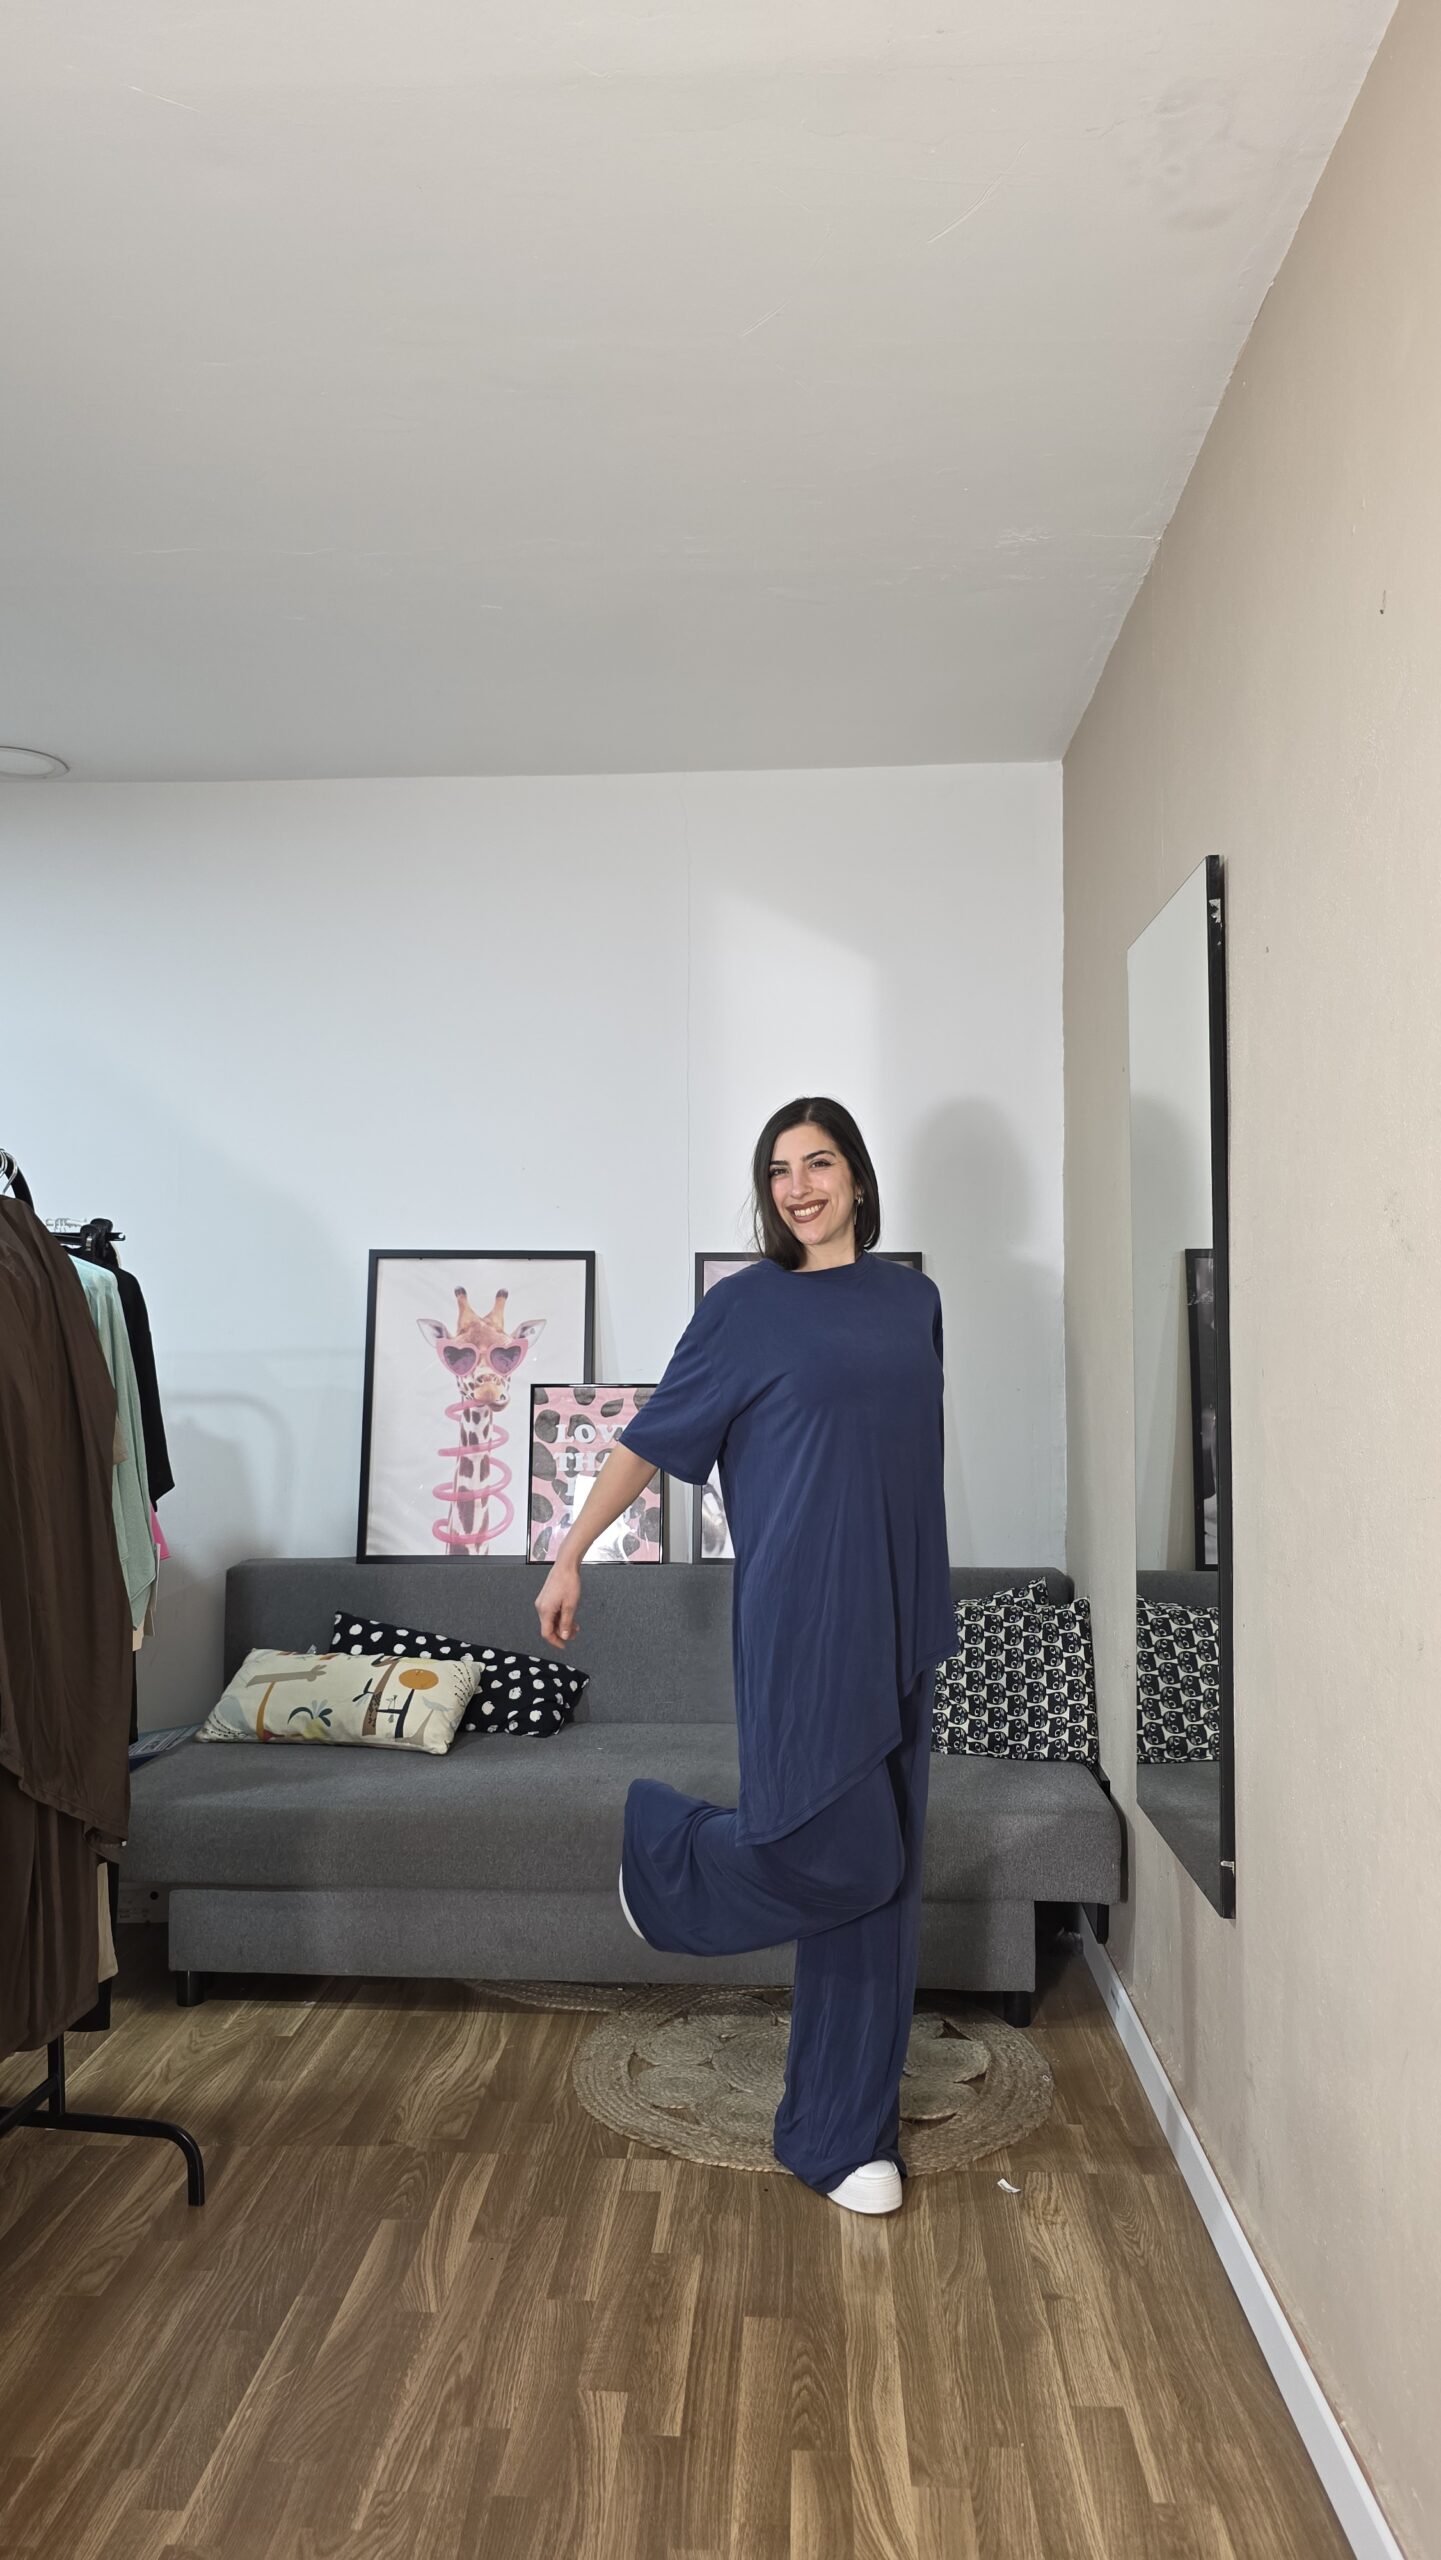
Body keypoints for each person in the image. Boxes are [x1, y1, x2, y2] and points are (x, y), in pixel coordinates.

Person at [534, 1097, 954, 2214]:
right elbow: (649, 1439)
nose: (798, 1187)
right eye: (778, 1170)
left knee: (886, 1884)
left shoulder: (914, 1301)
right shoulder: (744, 1308)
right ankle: (671, 1859)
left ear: (856, 1176)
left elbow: (906, 1457)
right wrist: (570, 1553)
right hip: (800, 1615)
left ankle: (843, 2133)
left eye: (818, 1163)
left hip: (902, 1611)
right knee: (844, 1853)